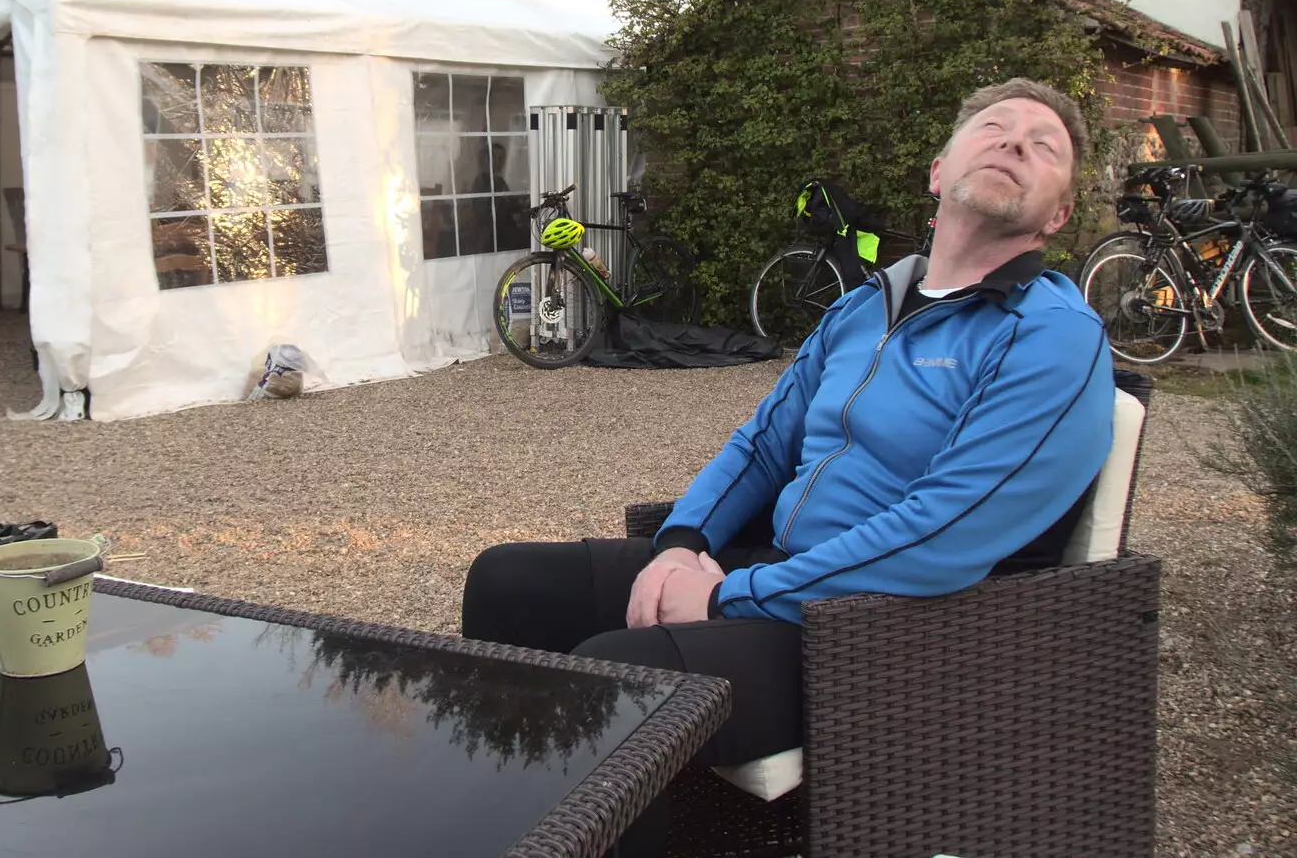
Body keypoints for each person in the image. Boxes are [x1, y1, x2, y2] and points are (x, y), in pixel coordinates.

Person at [460, 79, 1115, 854]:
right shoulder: (864, 305)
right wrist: (681, 543)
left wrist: (733, 594)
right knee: (507, 583)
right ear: (939, 170)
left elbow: (943, 533)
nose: (1014, 143)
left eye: (1044, 147)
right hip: (781, 570)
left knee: (624, 677)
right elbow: (764, 443)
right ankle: (509, 827)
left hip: (895, 630)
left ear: (1058, 214)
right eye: (995, 127)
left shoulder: (1050, 334)